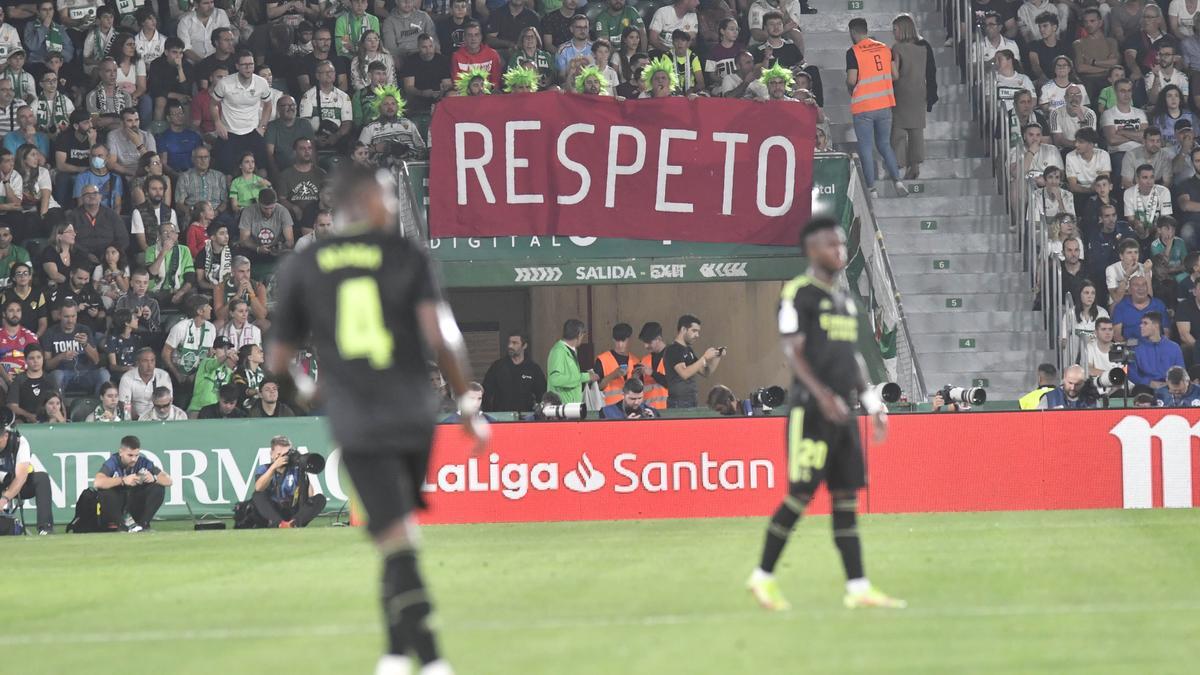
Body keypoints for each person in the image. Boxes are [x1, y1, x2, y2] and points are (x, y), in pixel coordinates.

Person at [269, 163, 486, 675]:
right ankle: (408, 655)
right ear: (363, 200)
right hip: (413, 412)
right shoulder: (406, 255)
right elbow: (443, 337)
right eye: (388, 195)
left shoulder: (305, 265)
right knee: (400, 531)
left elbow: (278, 361)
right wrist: (469, 406)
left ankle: (422, 659)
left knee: (394, 538)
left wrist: (304, 391)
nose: (393, 205)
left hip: (356, 417)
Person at [747, 216, 901, 612]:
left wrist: (870, 402)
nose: (841, 251)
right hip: (810, 411)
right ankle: (762, 578)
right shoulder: (799, 293)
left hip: (844, 414)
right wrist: (822, 395)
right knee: (800, 494)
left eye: (841, 245)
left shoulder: (845, 300)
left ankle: (858, 587)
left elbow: (853, 359)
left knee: (846, 499)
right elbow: (791, 350)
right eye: (832, 245)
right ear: (812, 250)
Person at [846, 18, 907, 199]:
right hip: (884, 105)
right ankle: (897, 181)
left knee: (865, 147)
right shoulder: (884, 48)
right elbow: (895, 75)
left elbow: (851, 80)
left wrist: (850, 88)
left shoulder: (853, 52)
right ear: (866, 29)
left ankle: (872, 189)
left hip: (863, 107)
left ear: (852, 32)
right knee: (884, 145)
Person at [211, 50, 272, 177]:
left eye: (251, 64)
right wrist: (218, 123)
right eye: (244, 65)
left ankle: (262, 195)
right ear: (237, 66)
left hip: (253, 131)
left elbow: (268, 105)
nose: (248, 68)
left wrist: (262, 127)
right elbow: (213, 104)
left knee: (262, 168)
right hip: (230, 132)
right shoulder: (225, 83)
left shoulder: (261, 82)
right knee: (227, 171)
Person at [94, 435, 173, 532]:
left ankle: (143, 525)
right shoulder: (113, 462)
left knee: (158, 487)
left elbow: (169, 481)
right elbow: (97, 482)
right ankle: (122, 526)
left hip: (134, 503)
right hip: (118, 504)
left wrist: (154, 478)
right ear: (121, 452)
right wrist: (122, 480)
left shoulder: (143, 462)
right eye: (130, 455)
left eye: (136, 455)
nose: (134, 459)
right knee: (104, 492)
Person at [250, 435, 327, 528]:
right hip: (274, 511)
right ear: (271, 454)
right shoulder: (264, 468)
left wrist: (303, 469)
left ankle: (293, 523)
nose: (283, 458)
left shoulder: (296, 470)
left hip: (293, 511)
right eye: (279, 454)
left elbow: (310, 496)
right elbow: (259, 487)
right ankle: (279, 524)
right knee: (257, 495)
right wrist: (274, 467)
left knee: (320, 499)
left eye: (286, 454)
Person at [0, 409, 52, 534]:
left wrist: (4, 499)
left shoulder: (20, 443)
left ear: (6, 436)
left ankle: (45, 528)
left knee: (42, 479)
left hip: (11, 481)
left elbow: (21, 477)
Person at [40, 299, 108, 394]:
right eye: (66, 317)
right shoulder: (50, 333)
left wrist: (85, 345)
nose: (70, 320)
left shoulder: (84, 330)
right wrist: (61, 356)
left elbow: (96, 360)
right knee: (57, 375)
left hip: (85, 373)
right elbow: (47, 366)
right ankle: (60, 407)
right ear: (59, 316)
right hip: (63, 374)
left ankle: (99, 407)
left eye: (73, 316)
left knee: (104, 374)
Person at [891, 13, 927, 180]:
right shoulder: (923, 49)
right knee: (916, 131)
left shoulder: (897, 48)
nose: (893, 32)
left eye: (895, 29)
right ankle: (915, 165)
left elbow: (895, 74)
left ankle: (899, 164)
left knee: (898, 131)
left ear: (903, 29)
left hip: (902, 92)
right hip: (919, 93)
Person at [664, 314, 722, 408]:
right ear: (683, 329)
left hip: (692, 400)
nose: (697, 335)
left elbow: (705, 372)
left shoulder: (688, 350)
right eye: (694, 331)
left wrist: (717, 356)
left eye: (698, 332)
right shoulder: (673, 349)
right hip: (678, 403)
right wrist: (704, 358)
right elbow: (684, 373)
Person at [481, 330, 546, 413]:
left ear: (524, 346)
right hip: (501, 418)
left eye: (515, 343)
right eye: (509, 342)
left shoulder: (533, 369)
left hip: (526, 418)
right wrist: (489, 414)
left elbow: (542, 394)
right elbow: (486, 392)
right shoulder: (498, 367)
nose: (510, 346)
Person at [547, 318, 597, 404]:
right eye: (582, 336)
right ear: (579, 335)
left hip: (570, 407)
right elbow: (555, 379)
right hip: (562, 408)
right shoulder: (558, 351)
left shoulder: (570, 351)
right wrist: (585, 377)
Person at [1130, 312, 1185, 388]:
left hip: (1170, 387)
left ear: (1156, 326)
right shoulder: (1135, 348)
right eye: (1141, 323)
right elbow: (1131, 372)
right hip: (1145, 387)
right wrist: (1148, 383)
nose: (1141, 326)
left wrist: (1169, 384)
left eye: (1145, 323)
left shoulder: (1174, 347)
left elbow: (1181, 371)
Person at [119, 347, 171, 419]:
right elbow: (125, 404)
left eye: (152, 361)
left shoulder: (163, 376)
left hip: (159, 417)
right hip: (136, 420)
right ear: (138, 363)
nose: (149, 365)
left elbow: (168, 401)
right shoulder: (127, 378)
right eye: (145, 361)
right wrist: (141, 420)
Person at [1112, 275, 1168, 341]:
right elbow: (1117, 335)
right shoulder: (1121, 306)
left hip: (1155, 347)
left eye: (1144, 284)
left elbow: (1166, 333)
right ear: (1129, 290)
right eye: (1136, 285)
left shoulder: (1159, 305)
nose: (1141, 288)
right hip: (1130, 348)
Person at [592, 322, 636, 406]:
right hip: (609, 409)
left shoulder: (635, 361)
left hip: (630, 409)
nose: (620, 345)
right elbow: (596, 388)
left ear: (630, 339)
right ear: (613, 339)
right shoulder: (602, 359)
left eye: (623, 341)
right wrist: (613, 375)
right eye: (617, 341)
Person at [0, 299, 38, 394]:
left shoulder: (30, 337)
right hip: (2, 377)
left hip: (25, 377)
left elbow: (37, 362)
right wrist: (6, 377)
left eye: (18, 310)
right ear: (4, 314)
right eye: (11, 310)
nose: (15, 314)